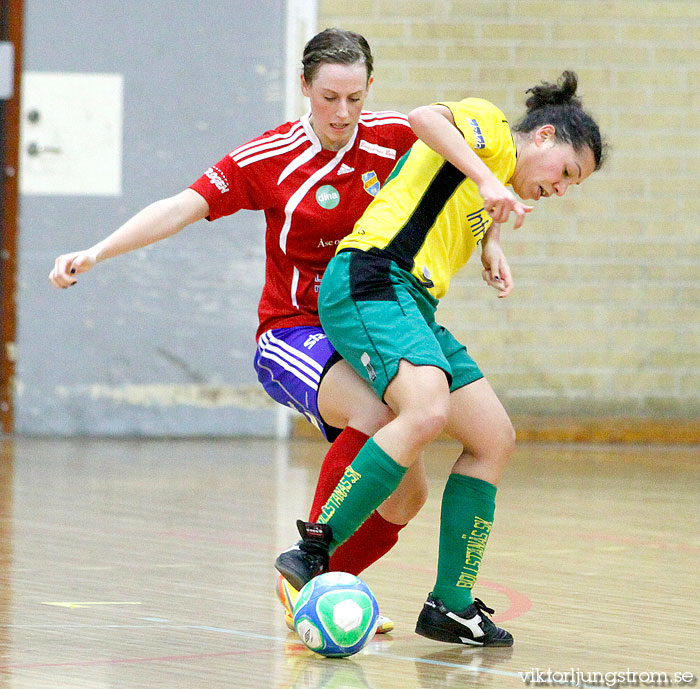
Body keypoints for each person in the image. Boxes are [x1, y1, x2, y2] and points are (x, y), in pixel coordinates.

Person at [49, 28, 511, 633]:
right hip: (295, 333)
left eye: (354, 97)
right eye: (328, 98)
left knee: (407, 497)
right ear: (303, 87)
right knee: (380, 410)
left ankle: (329, 592)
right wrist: (96, 251)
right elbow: (180, 206)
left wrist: (492, 241)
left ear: (371, 87)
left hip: (374, 321)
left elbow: (471, 181)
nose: (342, 113)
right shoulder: (268, 156)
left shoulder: (397, 137)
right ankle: (309, 576)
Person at [275, 70, 607, 647]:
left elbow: (452, 201)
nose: (563, 188)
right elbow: (423, 121)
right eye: (568, 173)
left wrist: (490, 245)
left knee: (493, 438)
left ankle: (450, 605)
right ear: (545, 136)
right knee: (424, 411)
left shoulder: (495, 181)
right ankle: (315, 547)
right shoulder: (493, 131)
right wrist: (487, 179)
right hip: (370, 277)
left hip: (413, 303)